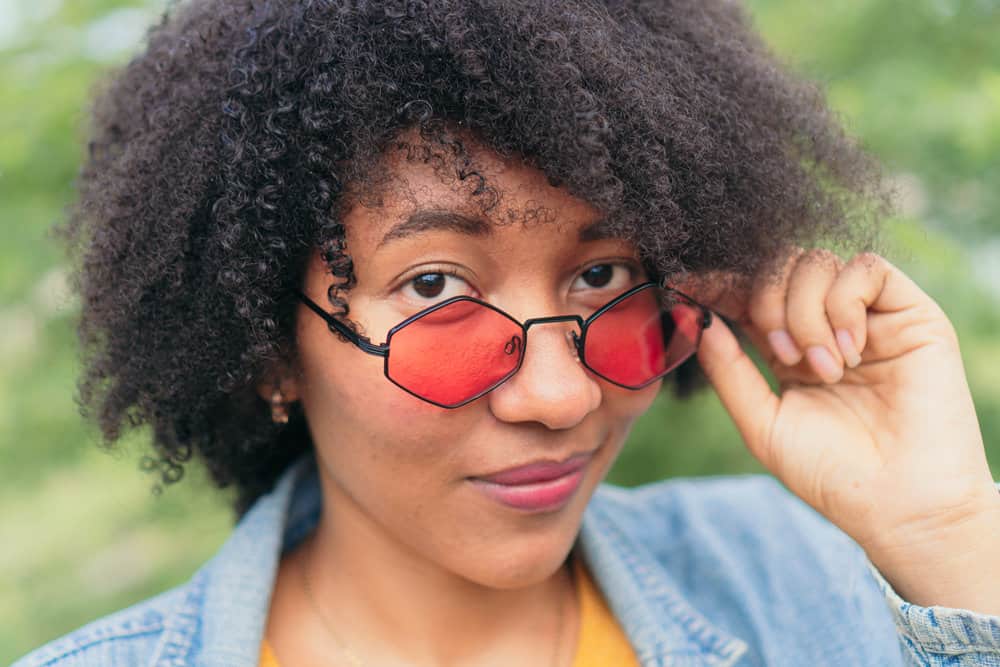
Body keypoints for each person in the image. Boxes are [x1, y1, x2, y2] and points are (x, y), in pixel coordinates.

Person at [13, 1, 1000, 665]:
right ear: (270, 347)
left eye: (603, 274)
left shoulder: (803, 577)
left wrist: (950, 535)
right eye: (435, 284)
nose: (561, 395)